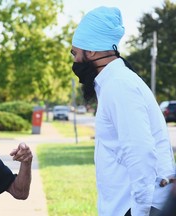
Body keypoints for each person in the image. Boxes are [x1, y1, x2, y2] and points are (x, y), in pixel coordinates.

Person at [71, 6, 175, 216]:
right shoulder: (113, 83)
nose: (73, 61)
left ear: (90, 51)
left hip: (138, 208)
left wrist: (139, 212)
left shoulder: (119, 85)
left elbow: (141, 153)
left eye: (75, 53)